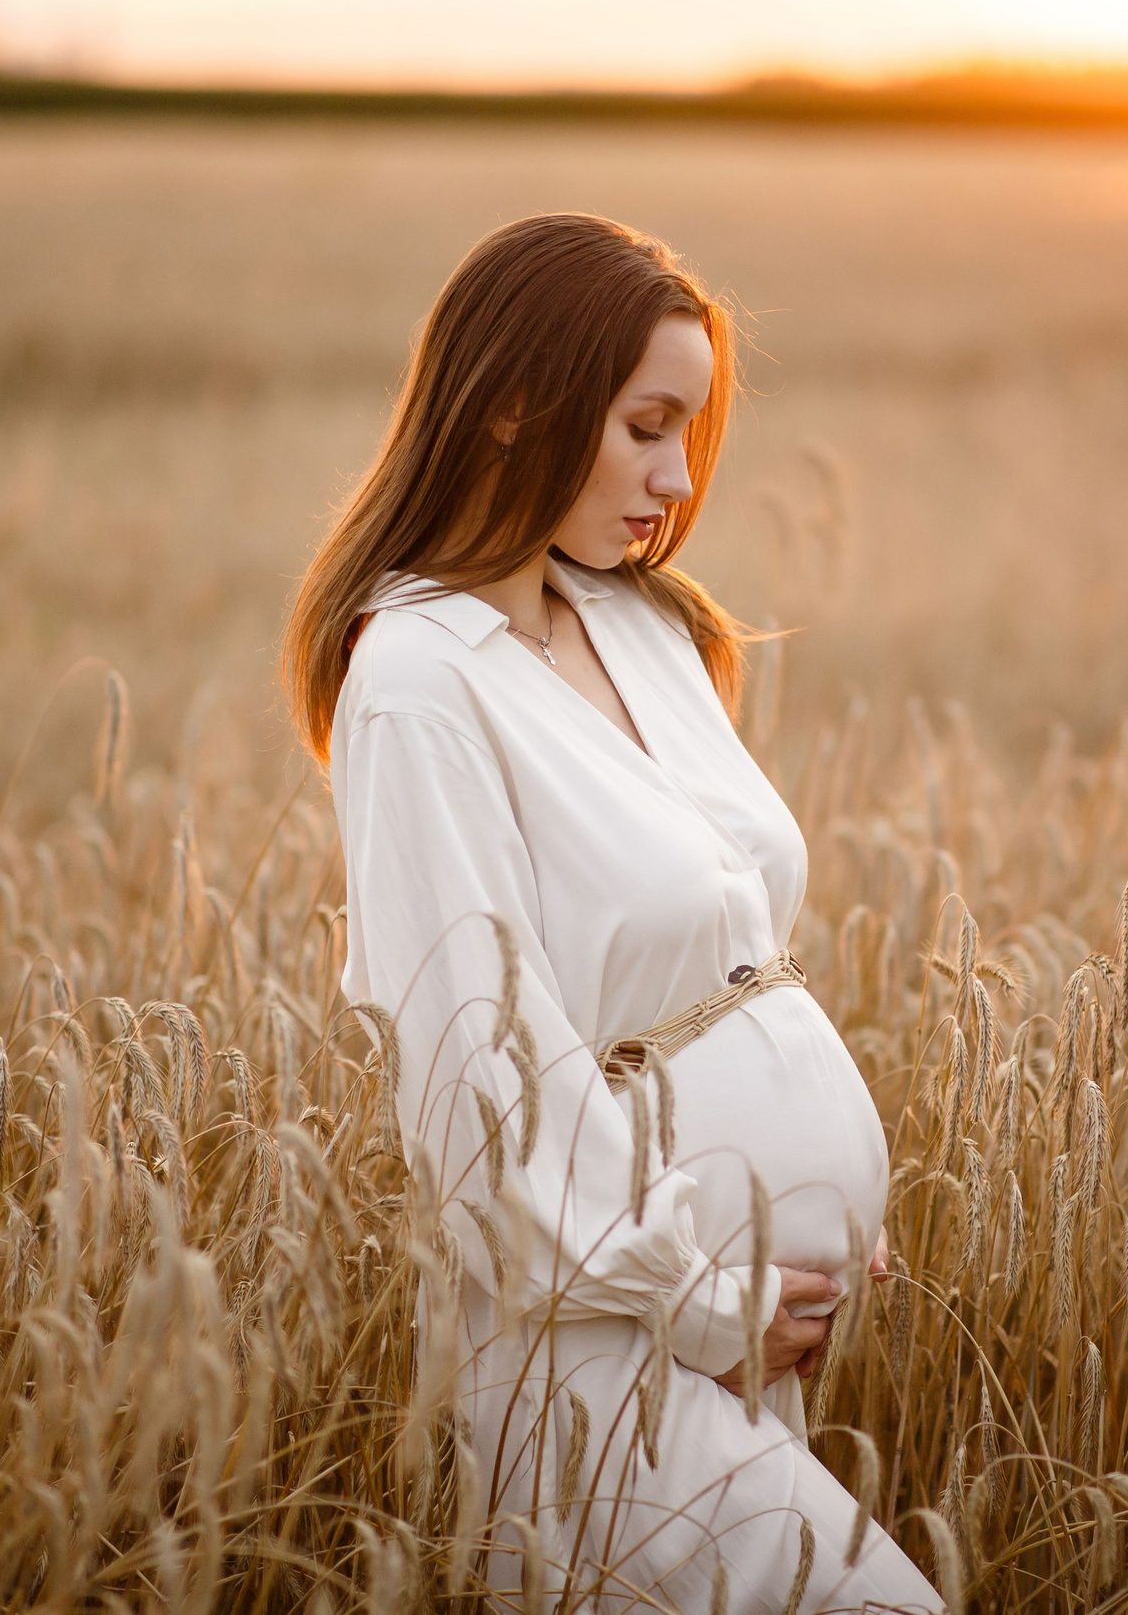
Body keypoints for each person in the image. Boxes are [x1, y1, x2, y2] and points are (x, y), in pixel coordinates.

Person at [283, 213, 939, 1612]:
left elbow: (724, 963)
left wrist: (817, 1196)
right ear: (516, 404)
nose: (678, 477)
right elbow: (478, 1074)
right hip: (606, 1347)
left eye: (689, 432)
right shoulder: (418, 684)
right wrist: (701, 1294)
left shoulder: (637, 624)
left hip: (740, 1333)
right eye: (647, 427)